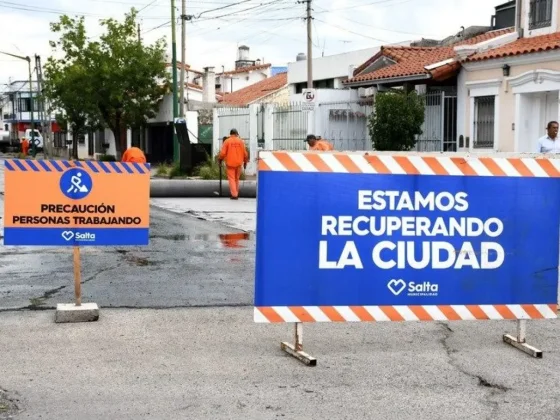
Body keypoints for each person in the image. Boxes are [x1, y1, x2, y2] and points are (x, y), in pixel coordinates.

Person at [218, 128, 249, 200]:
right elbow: (245, 154)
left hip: (230, 164)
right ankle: (236, 193)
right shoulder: (241, 141)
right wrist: (245, 162)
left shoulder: (227, 141)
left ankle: (234, 195)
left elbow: (223, 153)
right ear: (236, 134)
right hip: (239, 164)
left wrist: (220, 159)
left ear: (230, 134)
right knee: (236, 179)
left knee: (231, 179)